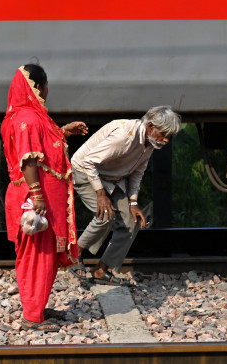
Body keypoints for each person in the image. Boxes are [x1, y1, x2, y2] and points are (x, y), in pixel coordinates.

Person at [1, 64, 88, 332]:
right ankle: (32, 316)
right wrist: (37, 195)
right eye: (47, 85)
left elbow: (41, 147)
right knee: (37, 255)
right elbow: (29, 159)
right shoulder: (29, 118)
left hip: (40, 199)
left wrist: (63, 132)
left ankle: (37, 307)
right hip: (36, 201)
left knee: (45, 255)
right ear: (38, 87)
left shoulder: (25, 116)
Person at [71, 105, 181, 285]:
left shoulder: (150, 142)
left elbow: (138, 173)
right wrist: (100, 194)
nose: (166, 140)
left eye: (169, 136)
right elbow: (89, 162)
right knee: (105, 216)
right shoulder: (123, 136)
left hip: (112, 179)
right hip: (85, 171)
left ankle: (101, 270)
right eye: (164, 134)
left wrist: (133, 202)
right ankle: (74, 254)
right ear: (151, 126)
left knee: (133, 221)